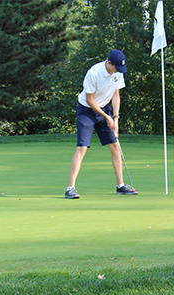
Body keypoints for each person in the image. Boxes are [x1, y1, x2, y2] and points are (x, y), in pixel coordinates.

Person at [65, 49, 138, 199]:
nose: (117, 71)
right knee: (82, 148)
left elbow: (116, 95)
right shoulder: (94, 73)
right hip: (86, 111)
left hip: (105, 109)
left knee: (115, 146)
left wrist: (115, 118)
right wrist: (106, 117)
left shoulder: (118, 72)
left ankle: (120, 186)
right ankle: (70, 188)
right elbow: (90, 100)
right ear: (109, 63)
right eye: (116, 68)